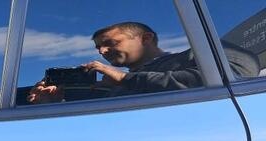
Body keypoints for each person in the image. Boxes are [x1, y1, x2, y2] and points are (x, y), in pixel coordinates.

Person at [28, 21, 259, 104]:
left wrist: (125, 78)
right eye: (98, 47)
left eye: (110, 43)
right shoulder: (108, 88)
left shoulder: (196, 56)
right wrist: (52, 104)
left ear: (146, 38)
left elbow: (236, 78)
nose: (102, 51)